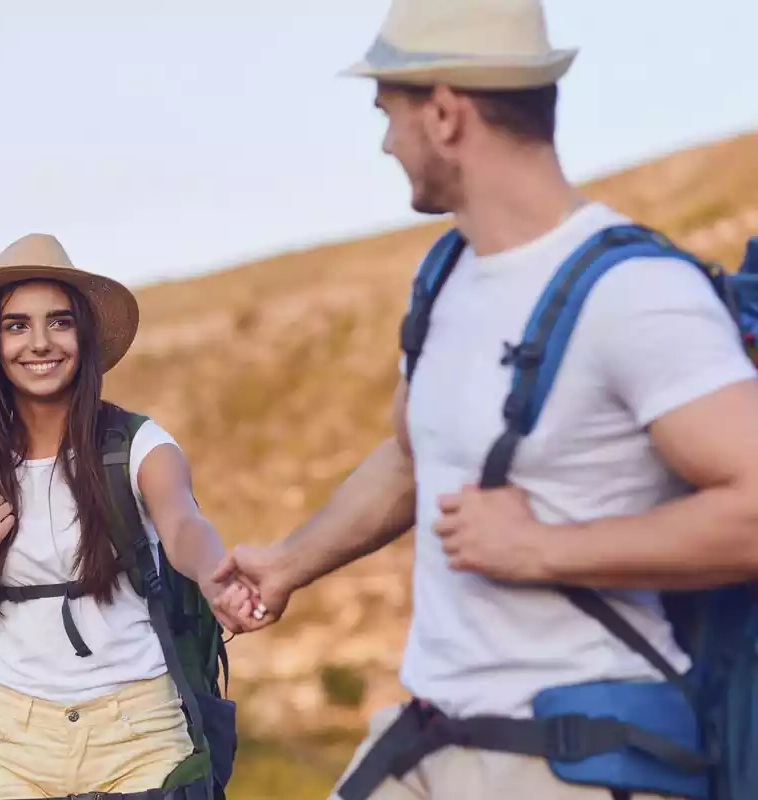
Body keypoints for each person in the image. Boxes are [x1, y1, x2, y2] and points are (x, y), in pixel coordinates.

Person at [212, 0, 758, 798]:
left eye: (388, 114)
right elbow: (411, 457)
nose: (385, 143)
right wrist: (291, 562)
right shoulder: (446, 280)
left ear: (443, 112)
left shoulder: (636, 294)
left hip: (579, 756)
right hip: (435, 736)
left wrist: (542, 549)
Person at [0, 233, 251, 800]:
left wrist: (217, 573)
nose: (41, 342)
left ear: (83, 335)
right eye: (17, 325)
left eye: (59, 321)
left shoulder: (139, 445)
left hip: (140, 736)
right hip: (11, 748)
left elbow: (182, 525)